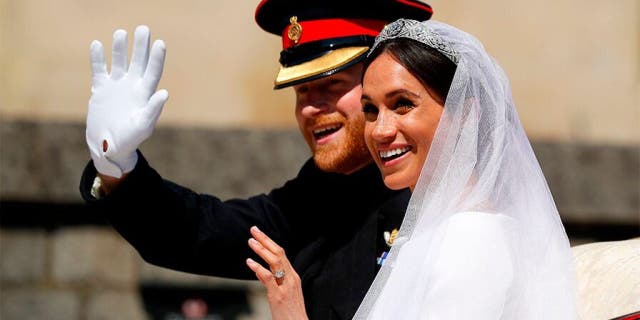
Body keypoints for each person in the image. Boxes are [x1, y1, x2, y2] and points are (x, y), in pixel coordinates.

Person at [79, 1, 434, 319]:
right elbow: (203, 233)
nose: (310, 107)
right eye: (301, 91)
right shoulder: (319, 194)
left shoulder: (442, 193)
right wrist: (117, 167)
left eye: (331, 84)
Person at [248, 19, 579, 319]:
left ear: (465, 113)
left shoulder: (471, 239)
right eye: (371, 110)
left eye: (402, 104)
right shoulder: (427, 233)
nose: (380, 130)